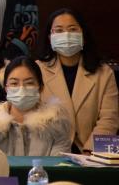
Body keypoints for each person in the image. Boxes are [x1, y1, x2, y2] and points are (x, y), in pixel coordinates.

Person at [36, 8, 118, 154]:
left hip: (90, 154)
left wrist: (89, 151)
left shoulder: (104, 73)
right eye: (59, 30)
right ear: (50, 37)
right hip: (49, 153)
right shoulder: (37, 70)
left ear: (83, 35)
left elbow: (109, 119)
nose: (66, 35)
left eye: (72, 29)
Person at [0, 57, 71, 156]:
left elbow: (58, 162)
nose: (21, 88)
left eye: (29, 83)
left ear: (40, 87)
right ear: (6, 88)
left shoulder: (56, 122)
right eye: (14, 83)